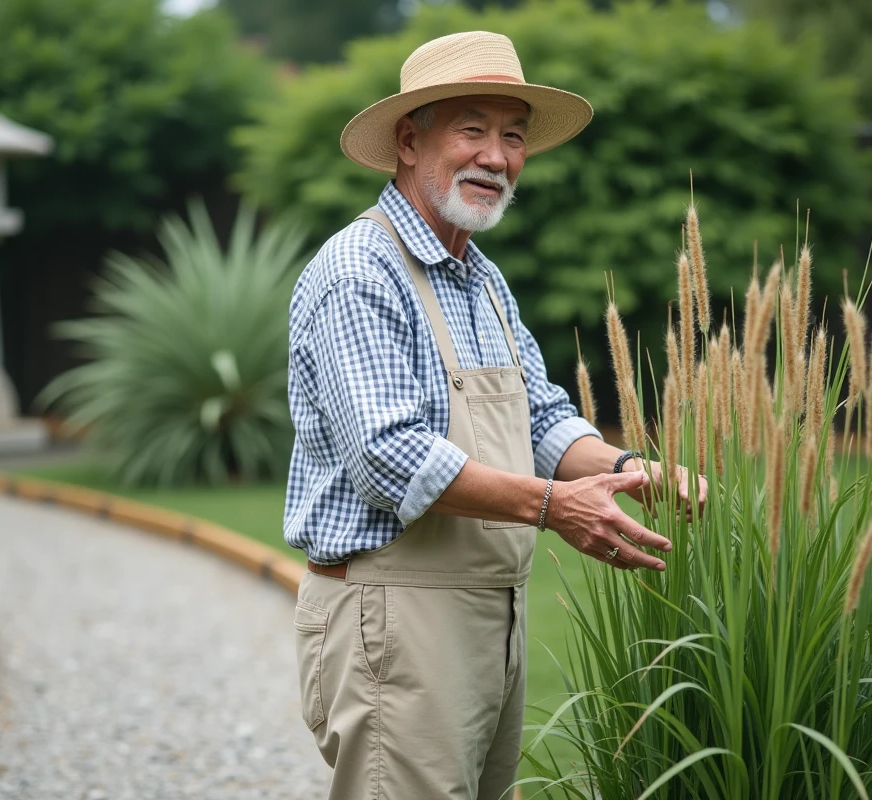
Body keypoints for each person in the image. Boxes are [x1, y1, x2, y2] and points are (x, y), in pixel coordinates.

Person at [284, 30, 705, 800]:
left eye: (513, 136)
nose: (498, 156)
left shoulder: (480, 278)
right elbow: (388, 457)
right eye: (472, 129)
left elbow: (539, 417)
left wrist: (625, 471)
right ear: (409, 142)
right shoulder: (359, 270)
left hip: (488, 617)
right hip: (393, 617)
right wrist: (553, 507)